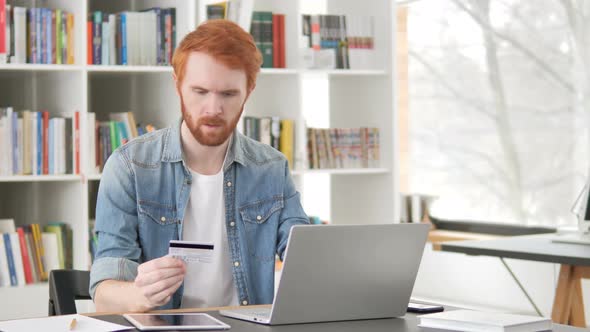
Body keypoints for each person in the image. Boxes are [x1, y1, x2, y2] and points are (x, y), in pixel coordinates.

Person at [89, 19, 309, 312]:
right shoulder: (130, 167)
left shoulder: (271, 168)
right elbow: (104, 291)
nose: (213, 109)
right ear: (177, 85)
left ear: (249, 90)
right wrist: (140, 295)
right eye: (200, 91)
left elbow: (307, 260)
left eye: (228, 94)